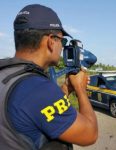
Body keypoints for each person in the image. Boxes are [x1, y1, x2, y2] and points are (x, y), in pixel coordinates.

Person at [0, 4, 98, 150]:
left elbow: (36, 111)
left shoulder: (7, 73)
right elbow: (90, 134)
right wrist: (80, 88)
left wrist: (65, 89)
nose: (62, 47)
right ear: (51, 41)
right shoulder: (37, 88)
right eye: (62, 41)